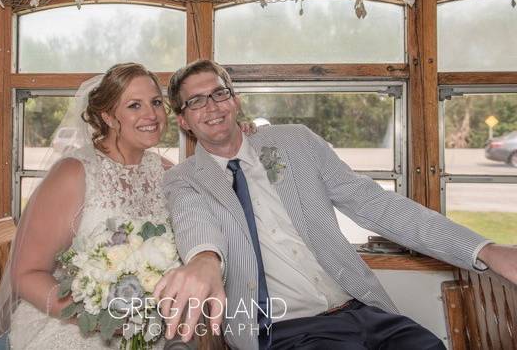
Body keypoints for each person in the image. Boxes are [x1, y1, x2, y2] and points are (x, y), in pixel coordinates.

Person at [158, 59, 517, 350]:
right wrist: (204, 259)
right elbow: (194, 221)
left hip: (366, 311)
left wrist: (484, 249)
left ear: (235, 100)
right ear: (183, 120)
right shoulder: (185, 179)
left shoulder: (293, 143)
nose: (212, 107)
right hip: (286, 330)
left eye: (219, 94)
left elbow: (375, 204)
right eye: (195, 101)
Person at [0, 62, 249, 349]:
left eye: (156, 102)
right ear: (109, 117)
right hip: (73, 325)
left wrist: (240, 137)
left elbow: (207, 204)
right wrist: (97, 320)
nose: (152, 114)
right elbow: (26, 275)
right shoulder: (73, 174)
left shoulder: (165, 172)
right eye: (135, 105)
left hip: (149, 327)